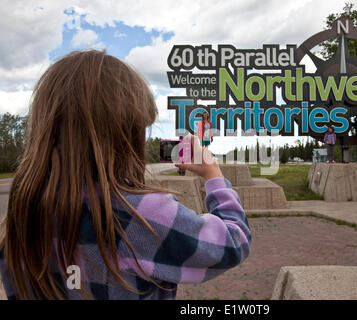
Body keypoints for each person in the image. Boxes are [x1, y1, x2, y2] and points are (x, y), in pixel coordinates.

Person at [0, 50, 251, 300]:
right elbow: (233, 243)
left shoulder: (18, 219)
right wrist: (213, 174)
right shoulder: (144, 214)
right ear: (127, 133)